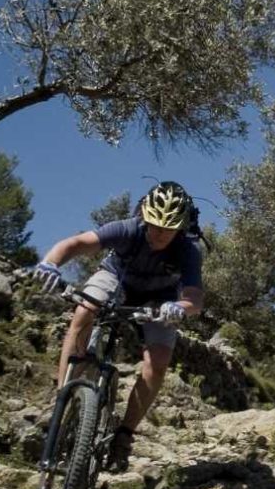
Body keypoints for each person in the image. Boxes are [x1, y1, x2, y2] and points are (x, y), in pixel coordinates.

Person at [32, 181, 204, 471]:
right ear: (144, 216)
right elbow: (76, 244)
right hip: (116, 279)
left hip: (159, 298)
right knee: (84, 310)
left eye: (168, 228)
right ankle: (62, 401)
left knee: (158, 362)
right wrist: (50, 263)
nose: (160, 233)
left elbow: (195, 298)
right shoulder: (127, 229)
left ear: (180, 227)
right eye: (154, 225)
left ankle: (124, 435)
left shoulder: (189, 251)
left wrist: (180, 308)